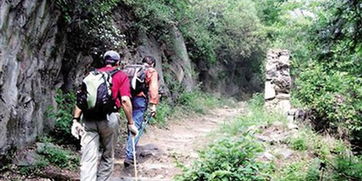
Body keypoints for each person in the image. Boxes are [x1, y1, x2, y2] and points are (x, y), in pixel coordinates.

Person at [71, 50, 139, 181]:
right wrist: (130, 123)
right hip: (109, 119)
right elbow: (125, 100)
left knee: (88, 158)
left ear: (104, 61)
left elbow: (81, 99)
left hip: (88, 118)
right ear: (117, 62)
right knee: (107, 156)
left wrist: (75, 119)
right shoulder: (121, 76)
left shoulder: (91, 74)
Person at [124, 56, 159, 167]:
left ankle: (129, 149)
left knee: (130, 124)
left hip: (128, 99)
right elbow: (153, 88)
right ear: (152, 64)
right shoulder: (151, 71)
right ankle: (129, 155)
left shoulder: (132, 69)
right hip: (140, 100)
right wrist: (153, 105)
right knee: (136, 125)